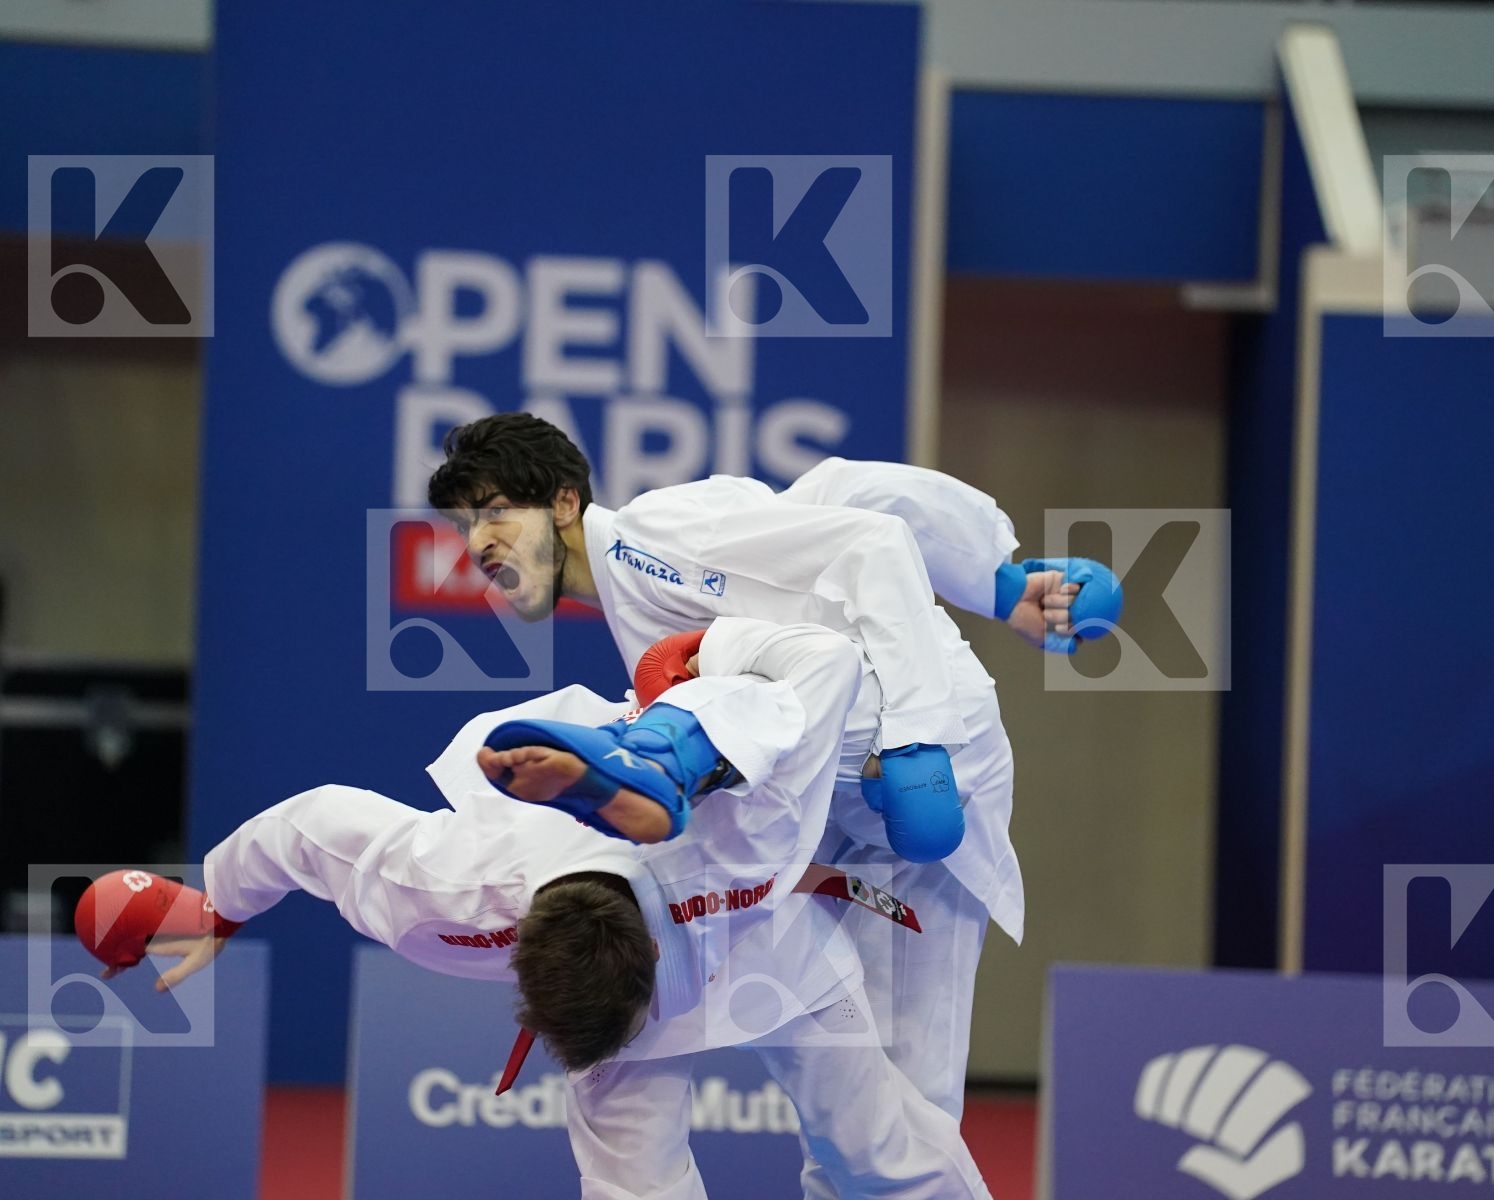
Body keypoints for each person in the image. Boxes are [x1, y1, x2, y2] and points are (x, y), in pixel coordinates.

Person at [86, 619, 992, 1199]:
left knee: (873, 1145)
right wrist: (216, 906)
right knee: (639, 1183)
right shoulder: (447, 898)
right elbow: (310, 826)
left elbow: (826, 658)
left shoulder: (742, 838)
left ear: (648, 979)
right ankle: (657, 743)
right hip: (641, 900)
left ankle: (660, 743)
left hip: (767, 946)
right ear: (513, 956)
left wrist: (712, 651)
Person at [426, 417, 1117, 1149]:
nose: (478, 544)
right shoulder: (637, 582)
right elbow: (834, 495)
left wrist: (920, 734)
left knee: (914, 1093)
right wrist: (997, 583)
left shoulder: (647, 545)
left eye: (497, 511)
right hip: (839, 800)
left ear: (564, 502)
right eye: (466, 525)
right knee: (850, 1106)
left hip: (929, 773)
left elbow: (871, 544)